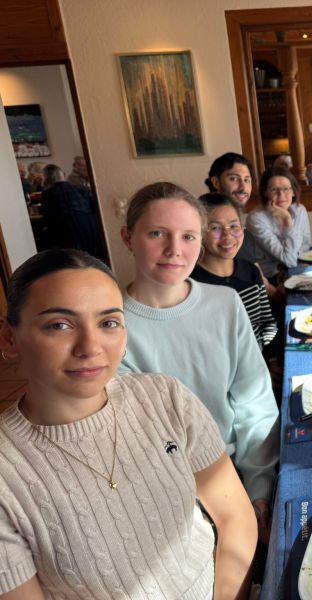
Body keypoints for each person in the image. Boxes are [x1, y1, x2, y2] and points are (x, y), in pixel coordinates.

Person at [0, 249, 256, 599]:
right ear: (9, 338)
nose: (90, 347)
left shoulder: (165, 398)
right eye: (59, 325)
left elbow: (235, 517)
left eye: (108, 323)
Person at [118, 182, 278, 543]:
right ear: (128, 237)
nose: (175, 249)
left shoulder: (225, 303)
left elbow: (254, 402)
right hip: (170, 496)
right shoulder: (111, 325)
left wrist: (259, 486)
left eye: (188, 236)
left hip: (239, 473)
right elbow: (137, 441)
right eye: (157, 233)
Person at [190, 192, 279, 354]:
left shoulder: (250, 271)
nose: (227, 235)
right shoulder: (191, 284)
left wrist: (268, 358)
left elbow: (266, 322)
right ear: (200, 233)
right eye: (215, 228)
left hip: (260, 359)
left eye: (234, 226)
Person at [247, 167, 311, 284]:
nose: (281, 194)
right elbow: (289, 261)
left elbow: (306, 245)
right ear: (265, 193)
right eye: (274, 189)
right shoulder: (256, 218)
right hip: (272, 279)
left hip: (298, 270)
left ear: (293, 191)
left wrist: (295, 256)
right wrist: (287, 220)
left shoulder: (299, 210)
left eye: (286, 189)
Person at [205, 152, 260, 264]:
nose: (243, 187)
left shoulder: (245, 236)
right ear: (216, 182)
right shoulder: (198, 224)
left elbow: (255, 271)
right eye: (234, 179)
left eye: (247, 180)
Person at [40, 164, 103, 258]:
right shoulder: (82, 190)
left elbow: (46, 214)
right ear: (64, 175)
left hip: (65, 237)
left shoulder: (48, 194)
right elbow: (94, 209)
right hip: (90, 233)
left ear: (47, 180)